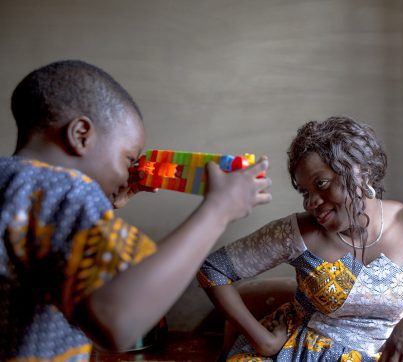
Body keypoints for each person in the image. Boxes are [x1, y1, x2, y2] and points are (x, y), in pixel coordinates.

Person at [0, 60, 271, 361]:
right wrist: (218, 210)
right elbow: (116, 321)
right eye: (129, 158)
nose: (127, 174)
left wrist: (103, 206)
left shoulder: (12, 180)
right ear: (80, 135)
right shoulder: (69, 191)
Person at [197, 116, 403, 361]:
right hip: (293, 351)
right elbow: (213, 269)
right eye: (305, 192)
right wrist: (262, 341)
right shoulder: (296, 232)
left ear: (361, 173)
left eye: (322, 184)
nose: (311, 202)